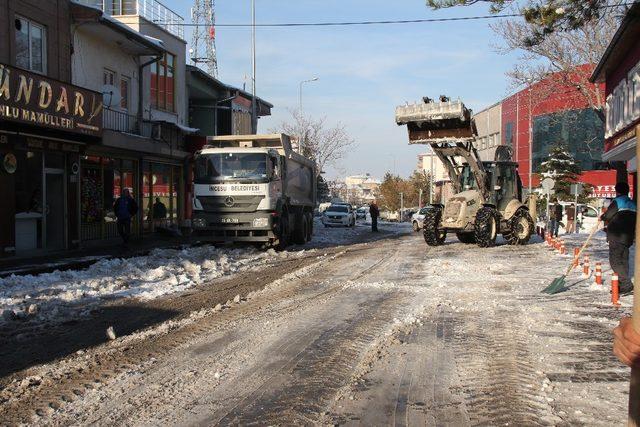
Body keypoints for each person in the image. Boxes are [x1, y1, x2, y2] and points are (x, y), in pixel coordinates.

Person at [601, 182, 636, 295]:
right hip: (628, 236)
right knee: (624, 259)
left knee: (615, 261)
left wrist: (603, 217)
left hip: (616, 235)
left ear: (617, 191)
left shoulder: (618, 201)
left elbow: (608, 215)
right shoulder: (633, 203)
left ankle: (626, 283)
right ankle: (623, 284)